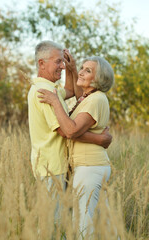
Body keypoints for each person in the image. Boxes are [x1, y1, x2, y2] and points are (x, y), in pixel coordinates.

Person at [37, 52, 114, 236]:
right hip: (93, 166)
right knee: (107, 224)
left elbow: (71, 130)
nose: (81, 72)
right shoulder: (90, 97)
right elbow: (79, 99)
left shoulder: (95, 99)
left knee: (82, 223)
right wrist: (72, 70)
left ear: (98, 78)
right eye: (82, 68)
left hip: (89, 167)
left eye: (88, 71)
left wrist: (55, 101)